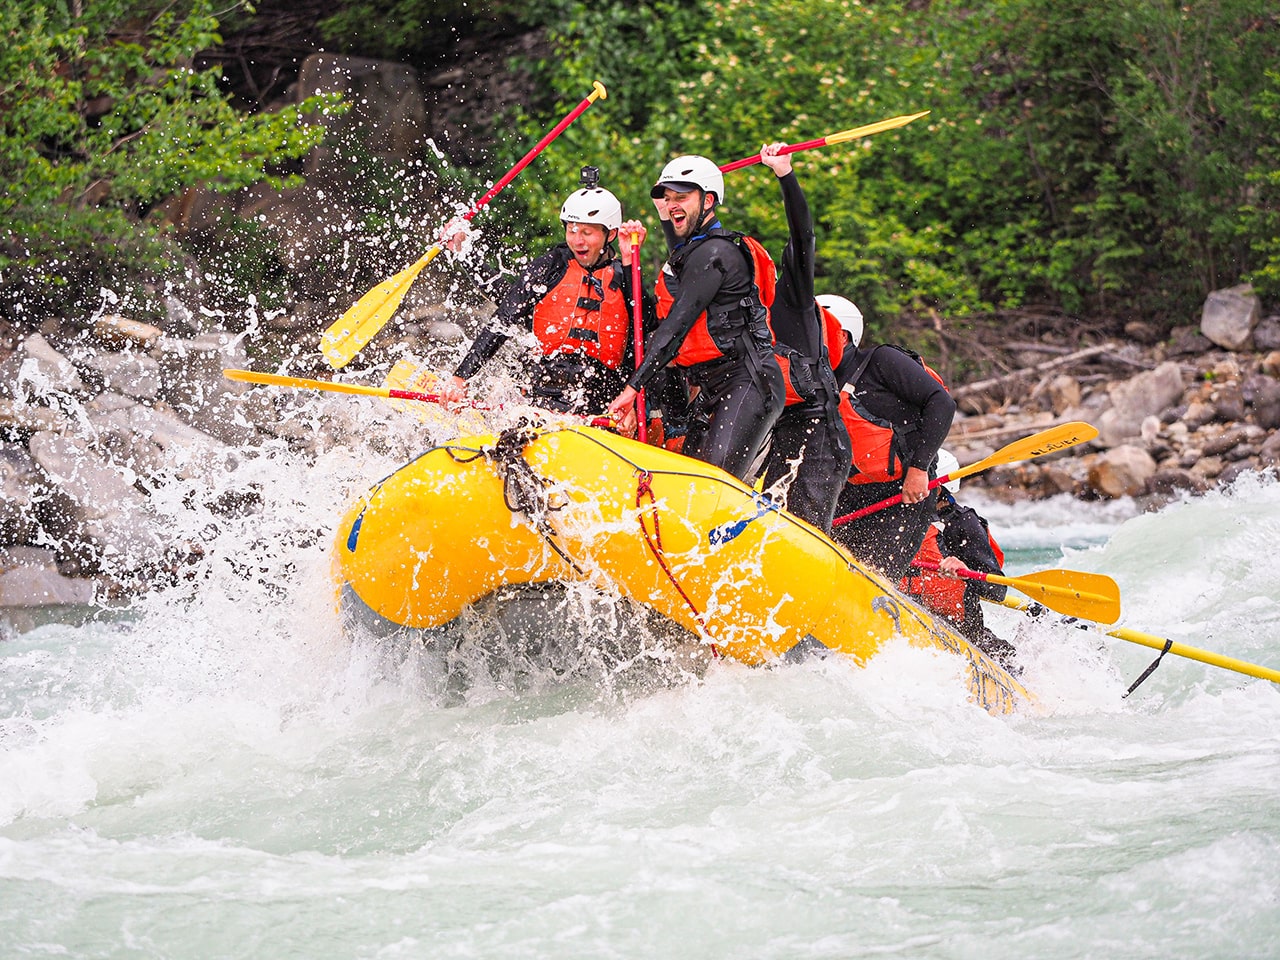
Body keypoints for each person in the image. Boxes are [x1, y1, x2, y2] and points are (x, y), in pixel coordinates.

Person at [605, 155, 784, 481]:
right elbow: (674, 268)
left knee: (709, 483)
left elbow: (677, 325)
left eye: (682, 197)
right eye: (668, 198)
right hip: (712, 385)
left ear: (709, 200)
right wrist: (637, 254)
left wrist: (632, 389)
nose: (673, 205)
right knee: (681, 480)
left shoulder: (717, 254)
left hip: (749, 381)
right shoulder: (692, 252)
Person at [442, 175, 656, 417]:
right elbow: (505, 317)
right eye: (572, 230)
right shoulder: (550, 266)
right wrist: (461, 377)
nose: (578, 240)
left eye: (587, 232)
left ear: (611, 235)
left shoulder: (625, 274)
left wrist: (630, 262)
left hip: (600, 403)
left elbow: (646, 327)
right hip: (543, 393)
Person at [754, 144, 852, 533]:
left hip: (818, 434)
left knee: (802, 530)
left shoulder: (789, 296)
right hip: (779, 432)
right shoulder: (737, 314)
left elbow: (803, 235)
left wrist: (784, 175)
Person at [828, 301, 957, 580]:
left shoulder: (881, 361)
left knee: (874, 576)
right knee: (832, 568)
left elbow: (942, 403)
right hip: (852, 494)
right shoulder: (818, 384)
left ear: (842, 335)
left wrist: (920, 468)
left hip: (905, 494)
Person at [898, 450, 1016, 663]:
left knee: (1004, 655)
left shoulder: (963, 524)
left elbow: (997, 591)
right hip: (907, 611)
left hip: (960, 630)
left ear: (940, 488)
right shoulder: (900, 515)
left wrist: (965, 572)